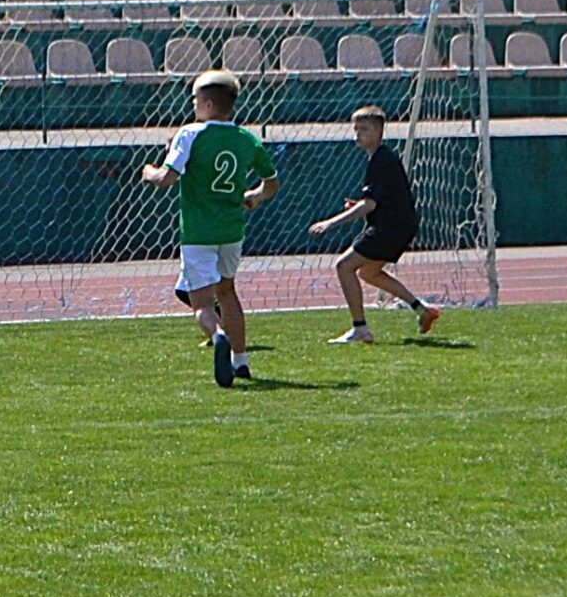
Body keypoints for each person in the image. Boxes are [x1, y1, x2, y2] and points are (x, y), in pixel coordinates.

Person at [140, 69, 279, 387]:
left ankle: (218, 336)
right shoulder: (246, 138)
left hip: (198, 232)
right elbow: (272, 182)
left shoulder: (191, 134)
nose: (192, 105)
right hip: (232, 230)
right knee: (228, 292)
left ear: (207, 104)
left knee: (202, 303)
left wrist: (149, 172)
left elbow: (167, 178)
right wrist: (255, 196)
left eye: (195, 100)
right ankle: (241, 361)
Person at [306, 105, 440, 344]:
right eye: (356, 129)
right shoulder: (379, 159)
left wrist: (330, 223)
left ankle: (360, 329)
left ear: (379, 131)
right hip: (397, 225)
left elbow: (369, 205)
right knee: (369, 272)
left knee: (344, 266)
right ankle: (422, 310)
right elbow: (379, 200)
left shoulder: (382, 160)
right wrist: (360, 205)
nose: (358, 134)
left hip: (391, 227)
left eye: (364, 129)